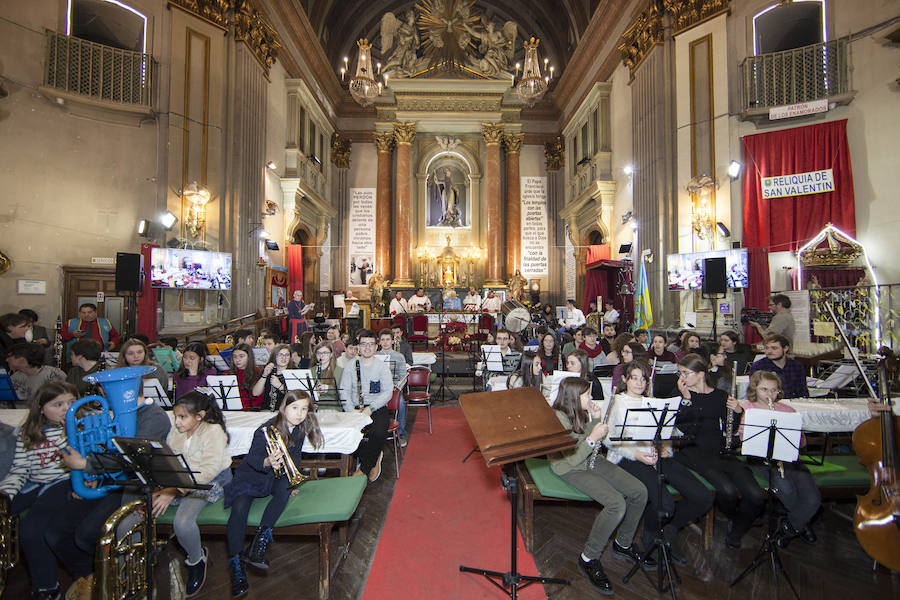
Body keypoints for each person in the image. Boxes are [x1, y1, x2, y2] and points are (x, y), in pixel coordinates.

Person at [49, 390, 171, 600]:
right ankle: (90, 577)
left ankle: (108, 576)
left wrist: (86, 464)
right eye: (105, 388)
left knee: (85, 535)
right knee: (55, 532)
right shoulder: (107, 415)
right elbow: (102, 449)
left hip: (130, 486)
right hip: (107, 481)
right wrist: (92, 470)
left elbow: (133, 460)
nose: (105, 392)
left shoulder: (152, 416)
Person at [548, 377, 650, 595]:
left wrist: (594, 420)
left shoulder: (580, 410)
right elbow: (571, 458)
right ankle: (588, 557)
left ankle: (623, 543)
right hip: (569, 468)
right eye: (587, 394)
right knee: (616, 505)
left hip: (589, 460)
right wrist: (593, 437)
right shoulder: (557, 418)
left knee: (639, 491)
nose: (591, 398)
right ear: (574, 397)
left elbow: (588, 440)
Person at [604, 362, 712, 565]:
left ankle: (669, 530)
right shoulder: (616, 402)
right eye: (634, 377)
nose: (639, 382)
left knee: (702, 497)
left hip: (655, 455)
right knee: (666, 505)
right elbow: (609, 440)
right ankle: (650, 534)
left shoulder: (652, 402)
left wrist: (664, 448)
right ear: (625, 379)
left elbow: (671, 433)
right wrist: (637, 454)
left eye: (643, 378)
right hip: (627, 458)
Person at [224, 391, 323, 597]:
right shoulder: (266, 429)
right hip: (252, 476)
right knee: (240, 507)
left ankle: (259, 542)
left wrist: (293, 477)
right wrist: (268, 461)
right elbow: (251, 458)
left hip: (274, 478)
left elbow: (294, 458)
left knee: (285, 489)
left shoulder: (299, 430)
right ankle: (236, 563)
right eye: (295, 408)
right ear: (283, 408)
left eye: (304, 409)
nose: (299, 413)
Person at [673, 354, 764, 548]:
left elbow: (731, 430)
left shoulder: (720, 396)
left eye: (685, 373)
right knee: (727, 490)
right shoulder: (681, 395)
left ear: (701, 374)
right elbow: (685, 429)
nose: (681, 378)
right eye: (680, 373)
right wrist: (687, 399)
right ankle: (736, 527)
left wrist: (738, 411)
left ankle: (738, 527)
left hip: (720, 451)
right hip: (694, 452)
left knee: (756, 494)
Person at [0, 382, 76, 600]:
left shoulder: (79, 428)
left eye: (71, 402)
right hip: (34, 483)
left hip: (63, 483)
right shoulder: (30, 431)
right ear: (41, 409)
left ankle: (47, 588)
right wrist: (6, 493)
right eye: (58, 404)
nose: (66, 408)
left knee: (32, 529)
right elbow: (20, 469)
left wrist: (70, 431)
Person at [152, 391, 233, 596]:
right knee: (141, 506)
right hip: (180, 480)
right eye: (176, 416)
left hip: (211, 481)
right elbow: (169, 459)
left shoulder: (213, 431)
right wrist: (163, 486)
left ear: (200, 416)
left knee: (183, 521)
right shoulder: (178, 430)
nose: (177, 422)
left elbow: (207, 471)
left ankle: (196, 560)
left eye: (182, 417)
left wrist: (173, 490)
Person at [733, 371, 821, 547]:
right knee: (786, 489)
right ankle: (802, 524)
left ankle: (791, 526)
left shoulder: (788, 410)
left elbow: (801, 441)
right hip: (762, 461)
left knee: (813, 498)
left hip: (790, 460)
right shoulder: (748, 409)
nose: (769, 394)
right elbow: (744, 439)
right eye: (764, 389)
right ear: (754, 389)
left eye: (774, 390)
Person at [339, 329, 393, 481]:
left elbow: (387, 392)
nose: (367, 347)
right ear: (359, 347)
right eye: (364, 344)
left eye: (371, 344)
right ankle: (374, 455)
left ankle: (364, 468)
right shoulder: (351, 365)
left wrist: (371, 408)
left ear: (376, 347)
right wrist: (351, 410)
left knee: (379, 433)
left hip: (376, 407)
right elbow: (344, 390)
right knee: (346, 435)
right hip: (355, 408)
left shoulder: (382, 367)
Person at [748, 334, 808, 399]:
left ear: (785, 348)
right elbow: (753, 392)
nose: (769, 351)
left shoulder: (796, 366)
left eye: (774, 348)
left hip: (792, 402)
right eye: (766, 348)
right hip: (767, 403)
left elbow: (802, 391)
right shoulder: (759, 366)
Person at [378, 329, 409, 445]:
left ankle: (400, 433)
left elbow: (403, 376)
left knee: (400, 403)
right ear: (379, 342)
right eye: (383, 340)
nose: (385, 342)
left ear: (392, 341)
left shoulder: (399, 356)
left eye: (388, 340)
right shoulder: (375, 356)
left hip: (394, 388)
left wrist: (396, 387)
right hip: (378, 389)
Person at [253, 344, 293, 412]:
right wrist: (264, 375)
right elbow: (255, 393)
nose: (284, 358)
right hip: (266, 410)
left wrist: (280, 386)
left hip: (284, 412)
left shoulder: (293, 373)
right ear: (274, 356)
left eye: (287, 355)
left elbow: (294, 397)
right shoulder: (269, 370)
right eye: (280, 355)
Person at [311, 341, 343, 411]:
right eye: (319, 353)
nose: (321, 356)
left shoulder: (339, 371)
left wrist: (327, 388)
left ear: (331, 354)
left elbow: (342, 393)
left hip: (332, 408)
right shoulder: (311, 371)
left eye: (325, 353)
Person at [230, 343, 262, 410]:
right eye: (234, 356)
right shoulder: (228, 373)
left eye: (241, 356)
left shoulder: (257, 372)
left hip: (251, 410)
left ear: (249, 357)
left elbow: (259, 399)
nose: (237, 360)